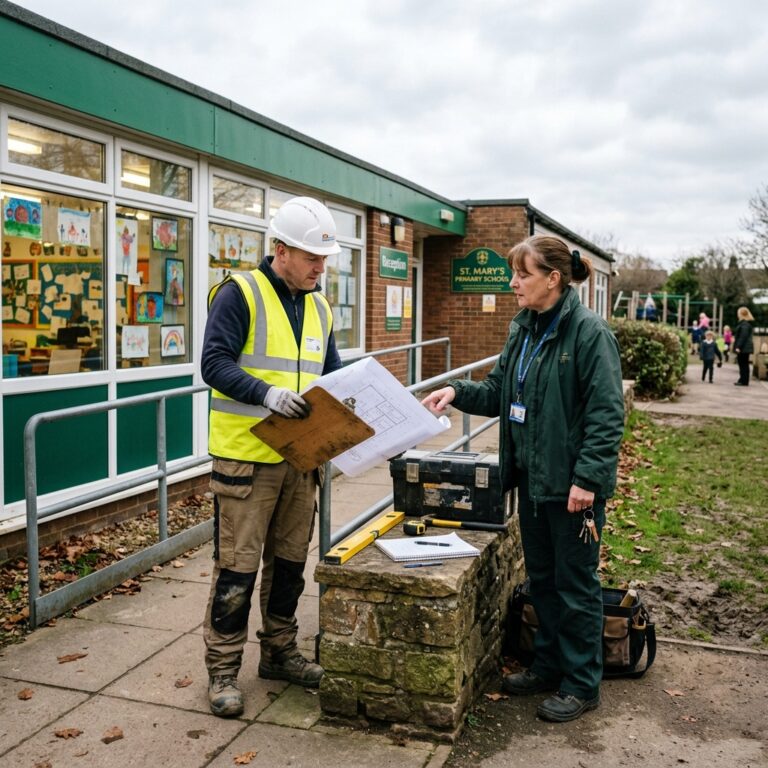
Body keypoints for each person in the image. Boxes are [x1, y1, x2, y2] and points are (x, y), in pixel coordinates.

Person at [422, 236, 624, 723]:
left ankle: (581, 683)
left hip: (572, 488)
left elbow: (606, 415)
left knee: (576, 586)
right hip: (532, 482)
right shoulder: (524, 328)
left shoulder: (589, 333)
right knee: (543, 582)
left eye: (522, 274)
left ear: (553, 279)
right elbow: (499, 391)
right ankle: (549, 666)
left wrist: (587, 480)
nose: (513, 283)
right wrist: (456, 391)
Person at [201, 196, 342, 717]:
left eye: (324, 259)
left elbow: (331, 375)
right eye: (311, 257)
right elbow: (213, 363)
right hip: (247, 460)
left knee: (289, 565)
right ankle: (222, 669)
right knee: (236, 570)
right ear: (280, 250)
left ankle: (280, 653)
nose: (320, 268)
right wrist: (266, 394)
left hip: (301, 459)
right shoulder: (239, 293)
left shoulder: (320, 306)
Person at [733, 306, 755, 386]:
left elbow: (743, 337)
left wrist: (738, 347)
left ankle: (744, 381)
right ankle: (743, 380)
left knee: (743, 364)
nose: (737, 314)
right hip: (745, 347)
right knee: (744, 364)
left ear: (741, 314)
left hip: (744, 348)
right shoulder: (745, 324)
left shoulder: (744, 324)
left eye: (738, 313)